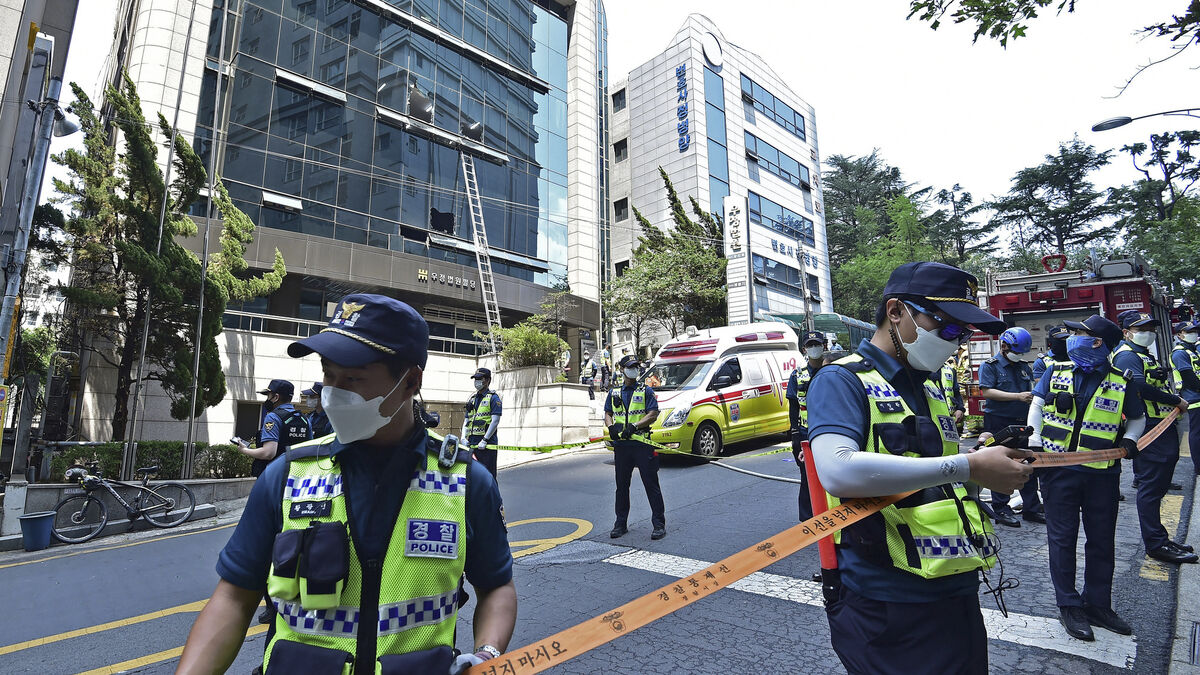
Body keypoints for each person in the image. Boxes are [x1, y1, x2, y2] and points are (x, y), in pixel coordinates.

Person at [177, 294, 516, 675]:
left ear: (410, 381)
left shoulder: (466, 482)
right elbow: (233, 600)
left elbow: (496, 586)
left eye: (353, 378)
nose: (333, 393)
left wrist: (487, 654)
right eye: (328, 374)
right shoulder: (287, 475)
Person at [808, 261, 1033, 673]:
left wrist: (986, 461)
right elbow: (837, 470)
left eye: (964, 334)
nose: (956, 342)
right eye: (947, 327)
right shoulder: (841, 380)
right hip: (888, 598)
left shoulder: (929, 386)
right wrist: (967, 466)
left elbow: (939, 480)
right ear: (896, 311)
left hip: (954, 581)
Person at [1028, 314, 1147, 641]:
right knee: (1062, 539)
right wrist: (1034, 437)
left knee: (1101, 540)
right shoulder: (1055, 371)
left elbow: (1137, 419)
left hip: (1102, 475)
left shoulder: (1122, 381)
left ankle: (1097, 604)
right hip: (1057, 471)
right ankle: (1069, 605)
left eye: (1079, 333)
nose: (1072, 337)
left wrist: (1130, 440)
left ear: (1097, 342)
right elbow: (1036, 405)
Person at [1113, 311, 1196, 564]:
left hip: (1160, 425)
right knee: (1151, 487)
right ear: (1126, 332)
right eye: (1142, 329)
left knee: (1158, 484)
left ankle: (1160, 538)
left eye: (1151, 328)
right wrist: (1175, 400)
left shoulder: (1141, 354)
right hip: (1150, 427)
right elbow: (1138, 387)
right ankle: (1156, 544)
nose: (1148, 333)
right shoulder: (1127, 355)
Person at [978, 326, 1043, 527]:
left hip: (1023, 420)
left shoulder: (1023, 366)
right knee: (999, 464)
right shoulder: (990, 365)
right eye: (1017, 351)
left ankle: (1032, 508)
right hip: (998, 420)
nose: (1019, 355)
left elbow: (1031, 388)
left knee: (1028, 462)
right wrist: (1017, 396)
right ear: (1004, 345)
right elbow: (987, 392)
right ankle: (1001, 509)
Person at [605, 354, 665, 540]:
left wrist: (635, 426)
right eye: (630, 367)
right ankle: (620, 524)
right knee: (621, 487)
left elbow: (653, 413)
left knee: (651, 485)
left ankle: (659, 524)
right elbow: (608, 413)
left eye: (636, 367)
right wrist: (611, 427)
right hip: (622, 447)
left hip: (642, 444)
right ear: (622, 370)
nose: (634, 370)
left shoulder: (645, 391)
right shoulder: (614, 392)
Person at [786, 330, 826, 521]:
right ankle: (808, 519)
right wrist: (795, 435)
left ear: (824, 346)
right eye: (810, 345)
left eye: (817, 344)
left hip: (829, 432)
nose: (814, 348)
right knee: (807, 477)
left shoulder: (833, 370)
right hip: (806, 434)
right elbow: (793, 407)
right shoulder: (798, 375)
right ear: (804, 349)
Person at [237, 380, 311, 479]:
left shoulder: (273, 417)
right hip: (298, 476)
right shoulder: (305, 419)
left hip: (275, 476)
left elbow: (268, 453)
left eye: (268, 396)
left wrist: (245, 450)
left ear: (276, 397)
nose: (267, 400)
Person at [463, 367, 503, 480]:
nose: (477, 381)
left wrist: (485, 440)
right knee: (472, 476)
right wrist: (463, 438)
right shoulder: (472, 399)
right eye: (475, 379)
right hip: (472, 443)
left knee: (488, 476)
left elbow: (495, 421)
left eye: (480, 379)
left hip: (487, 445)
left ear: (488, 380)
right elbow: (466, 420)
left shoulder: (493, 398)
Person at [1172, 320, 1200, 478]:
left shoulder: (1193, 350)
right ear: (1179, 335)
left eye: (1194, 331)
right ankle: (1199, 467)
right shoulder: (1180, 353)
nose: (1193, 334)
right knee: (1197, 433)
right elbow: (1189, 378)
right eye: (1189, 332)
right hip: (1194, 397)